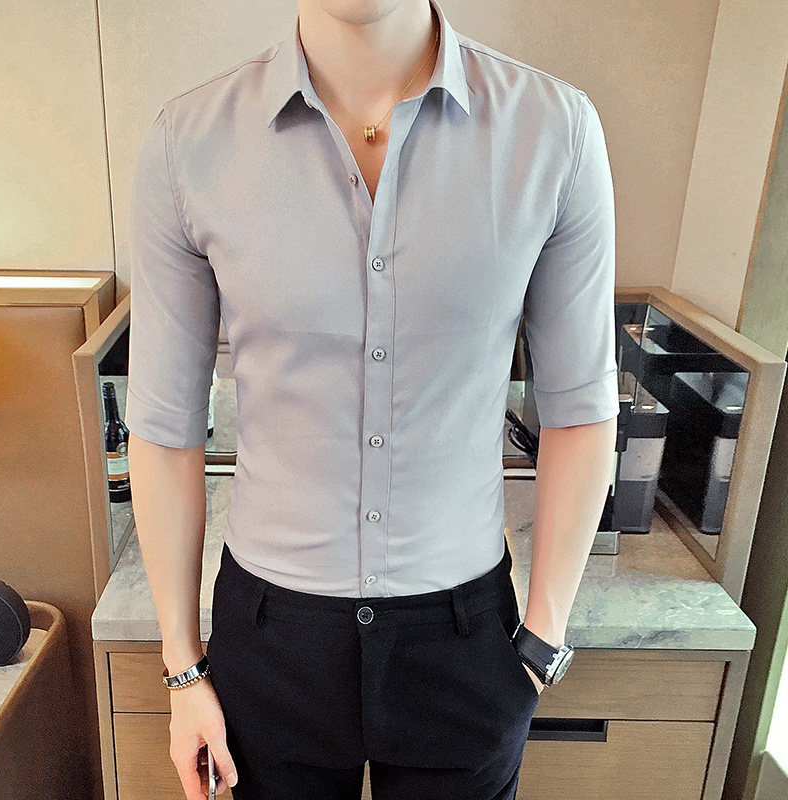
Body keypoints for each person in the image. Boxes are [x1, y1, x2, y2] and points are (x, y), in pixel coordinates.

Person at [125, 0, 619, 798]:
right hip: (269, 642)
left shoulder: (554, 130)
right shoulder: (189, 141)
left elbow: (581, 407)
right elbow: (163, 422)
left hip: (465, 641)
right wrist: (183, 668)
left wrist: (541, 640)